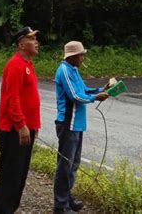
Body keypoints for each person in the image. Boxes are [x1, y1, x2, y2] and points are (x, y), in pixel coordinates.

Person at [53, 41, 109, 214]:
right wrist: (95, 98)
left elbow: (84, 90)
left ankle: (67, 199)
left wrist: (102, 89)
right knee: (65, 165)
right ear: (72, 56)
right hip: (68, 123)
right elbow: (76, 96)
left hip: (77, 124)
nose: (83, 58)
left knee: (73, 165)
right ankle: (60, 206)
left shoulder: (74, 70)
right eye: (81, 54)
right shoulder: (63, 70)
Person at [0, 26, 41, 214]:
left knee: (20, 175)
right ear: (21, 44)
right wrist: (21, 125)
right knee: (11, 176)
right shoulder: (15, 65)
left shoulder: (27, 65)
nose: (36, 42)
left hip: (25, 129)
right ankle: (3, 210)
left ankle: (10, 209)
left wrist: (33, 126)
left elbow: (27, 97)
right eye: (32, 39)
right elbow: (11, 98)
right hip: (14, 130)